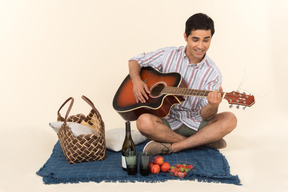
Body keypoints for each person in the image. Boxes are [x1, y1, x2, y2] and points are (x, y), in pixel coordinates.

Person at [128, 13, 237, 156]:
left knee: (230, 119)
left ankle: (174, 147)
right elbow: (135, 60)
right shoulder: (168, 54)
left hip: (196, 123)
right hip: (166, 121)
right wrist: (136, 81)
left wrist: (213, 105)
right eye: (195, 39)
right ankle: (200, 143)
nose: (200, 46)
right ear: (186, 37)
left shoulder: (213, 73)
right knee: (143, 122)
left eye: (206, 40)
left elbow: (205, 115)